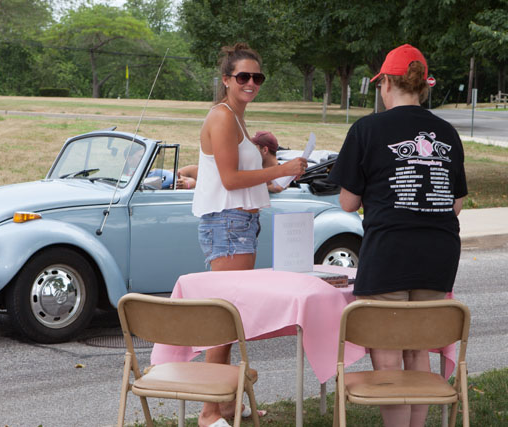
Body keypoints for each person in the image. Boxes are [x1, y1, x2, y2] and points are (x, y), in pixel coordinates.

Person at [328, 44, 467, 427]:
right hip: (439, 254)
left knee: (387, 354)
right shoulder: (447, 132)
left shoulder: (368, 128)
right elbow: (455, 205)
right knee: (418, 347)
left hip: (388, 250)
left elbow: (346, 201)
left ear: (386, 82)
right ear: (423, 85)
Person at [192, 42, 307, 427]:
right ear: (226, 80)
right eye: (243, 76)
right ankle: (209, 412)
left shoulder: (239, 119)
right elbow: (230, 179)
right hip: (226, 223)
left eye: (257, 77)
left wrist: (283, 171)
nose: (251, 82)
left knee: (232, 315)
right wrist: (279, 168)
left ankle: (225, 404)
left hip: (241, 222)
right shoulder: (223, 117)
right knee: (224, 319)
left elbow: (249, 182)